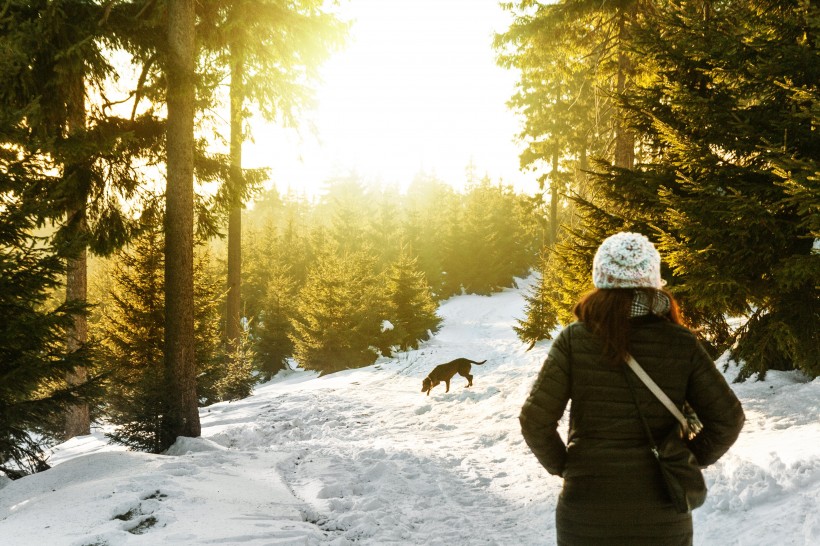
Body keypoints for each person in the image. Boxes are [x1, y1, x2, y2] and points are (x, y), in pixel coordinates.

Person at [520, 232, 744, 546]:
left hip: (586, 512)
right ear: (653, 281)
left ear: (601, 278)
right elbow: (728, 419)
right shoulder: (681, 343)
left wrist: (567, 467)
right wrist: (686, 458)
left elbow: (534, 420)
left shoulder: (574, 339)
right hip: (662, 513)